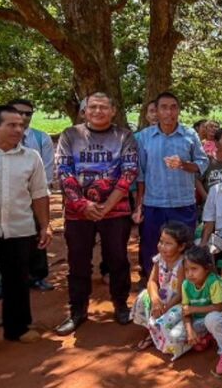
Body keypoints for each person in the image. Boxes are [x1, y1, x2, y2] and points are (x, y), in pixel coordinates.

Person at [54, 92, 139, 335]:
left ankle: (121, 305)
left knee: (118, 260)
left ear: (113, 111)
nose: (98, 111)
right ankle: (78, 311)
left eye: (104, 107)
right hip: (78, 213)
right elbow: (64, 171)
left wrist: (108, 205)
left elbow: (129, 171)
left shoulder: (124, 135)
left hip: (116, 210)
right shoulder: (70, 135)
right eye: (93, 107)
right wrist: (82, 205)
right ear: (84, 111)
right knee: (78, 262)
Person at [0, 105, 50, 344]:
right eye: (12, 125)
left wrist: (45, 225)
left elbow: (39, 193)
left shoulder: (31, 157)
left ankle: (17, 328)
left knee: (17, 280)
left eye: (21, 124)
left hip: (20, 227)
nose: (20, 129)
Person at [133, 92, 208, 283]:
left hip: (183, 204)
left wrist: (183, 164)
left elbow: (202, 163)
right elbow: (140, 175)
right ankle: (153, 290)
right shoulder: (144, 138)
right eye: (164, 107)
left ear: (179, 110)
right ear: (156, 111)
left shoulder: (190, 135)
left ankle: (184, 290)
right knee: (151, 248)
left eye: (173, 107)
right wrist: (139, 205)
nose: (169, 112)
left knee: (185, 249)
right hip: (153, 204)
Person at [8, 98, 56, 292]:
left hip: (35, 197)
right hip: (7, 198)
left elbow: (47, 170)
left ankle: (38, 276)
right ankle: (5, 280)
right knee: (6, 239)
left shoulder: (40, 138)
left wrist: (38, 194)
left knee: (38, 236)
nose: (24, 117)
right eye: (20, 112)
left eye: (28, 113)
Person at [131, 221, 191, 359]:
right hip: (162, 299)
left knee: (163, 321)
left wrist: (165, 307)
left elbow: (182, 293)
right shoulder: (159, 259)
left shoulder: (182, 264)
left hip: (177, 302)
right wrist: (155, 299)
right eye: (161, 241)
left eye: (168, 243)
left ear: (181, 247)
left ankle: (177, 340)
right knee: (142, 298)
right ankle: (151, 333)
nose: (162, 246)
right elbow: (152, 281)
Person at [179, 246, 222, 375]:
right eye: (187, 270)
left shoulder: (215, 282)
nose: (190, 274)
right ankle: (207, 336)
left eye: (194, 269)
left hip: (221, 316)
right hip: (199, 319)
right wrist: (190, 331)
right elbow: (185, 310)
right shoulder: (186, 285)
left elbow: (218, 307)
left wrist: (192, 309)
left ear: (207, 268)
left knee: (212, 319)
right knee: (178, 336)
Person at [197, 127, 222, 200]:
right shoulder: (208, 160)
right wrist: (206, 197)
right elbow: (197, 180)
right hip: (212, 206)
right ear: (216, 143)